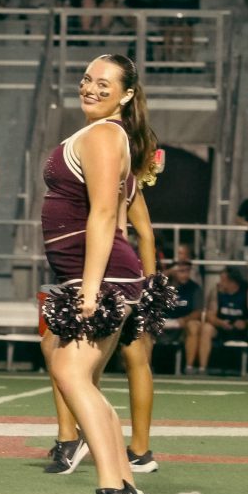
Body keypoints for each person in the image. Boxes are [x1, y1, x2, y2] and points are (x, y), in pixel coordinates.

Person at [39, 54, 158, 494]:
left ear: (126, 94)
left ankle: (118, 493)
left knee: (69, 373)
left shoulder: (107, 134)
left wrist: (89, 293)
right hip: (91, 275)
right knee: (77, 376)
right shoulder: (94, 133)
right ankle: (124, 487)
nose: (90, 87)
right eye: (86, 78)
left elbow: (107, 215)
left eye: (103, 83)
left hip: (102, 277)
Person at [45, 174, 163, 475]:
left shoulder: (98, 175)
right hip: (108, 274)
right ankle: (136, 451)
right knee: (124, 360)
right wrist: (151, 289)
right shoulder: (120, 177)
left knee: (65, 354)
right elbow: (144, 234)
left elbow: (125, 228)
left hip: (97, 274)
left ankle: (71, 438)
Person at [202, 266, 248, 377]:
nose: (220, 282)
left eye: (223, 280)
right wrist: (220, 322)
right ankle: (202, 368)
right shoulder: (216, 291)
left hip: (243, 330)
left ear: (232, 282)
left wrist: (246, 323)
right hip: (222, 329)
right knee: (206, 328)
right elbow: (209, 315)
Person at [160, 258, 205, 375]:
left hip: (182, 325)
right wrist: (168, 273)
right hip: (161, 323)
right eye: (181, 271)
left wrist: (184, 320)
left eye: (187, 271)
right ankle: (145, 366)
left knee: (194, 325)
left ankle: (189, 367)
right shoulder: (163, 286)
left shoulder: (194, 288)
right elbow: (148, 283)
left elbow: (198, 312)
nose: (185, 274)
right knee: (143, 325)